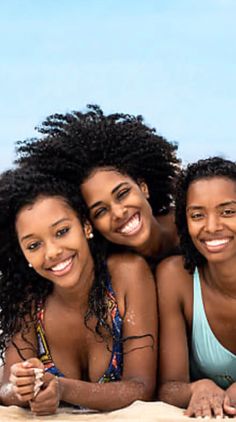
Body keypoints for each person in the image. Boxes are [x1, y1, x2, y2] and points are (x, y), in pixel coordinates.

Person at [0, 165, 157, 416]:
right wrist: (22, 387)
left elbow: (141, 387)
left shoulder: (128, 274)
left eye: (62, 231)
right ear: (22, 253)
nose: (51, 252)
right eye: (33, 245)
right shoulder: (29, 299)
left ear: (85, 226)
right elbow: (5, 387)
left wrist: (63, 389)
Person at [16, 105, 181, 269]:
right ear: (89, 225)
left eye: (122, 193)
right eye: (100, 211)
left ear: (143, 187)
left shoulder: (191, 225)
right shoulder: (111, 271)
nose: (118, 212)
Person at [157, 156, 236, 418]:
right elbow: (168, 388)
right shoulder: (176, 278)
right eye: (198, 215)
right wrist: (199, 388)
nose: (212, 227)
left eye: (228, 211)